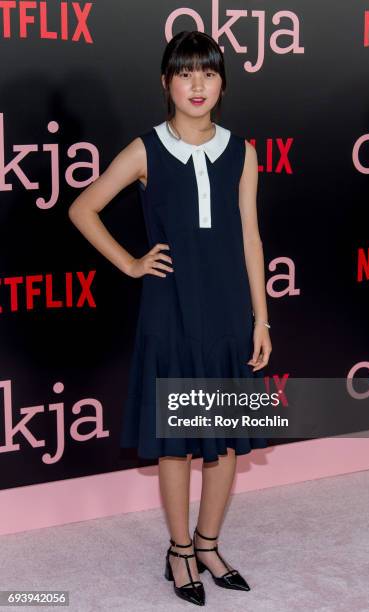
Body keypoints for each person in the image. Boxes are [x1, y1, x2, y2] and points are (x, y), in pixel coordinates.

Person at [68, 30, 272, 607]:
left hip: (230, 312)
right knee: (178, 444)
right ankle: (179, 551)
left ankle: (209, 545)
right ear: (166, 83)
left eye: (208, 73)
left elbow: (251, 238)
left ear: (223, 83)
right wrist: (131, 263)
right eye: (185, 73)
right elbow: (82, 208)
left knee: (229, 443)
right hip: (171, 313)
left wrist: (262, 320)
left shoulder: (241, 150)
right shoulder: (145, 149)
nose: (197, 84)